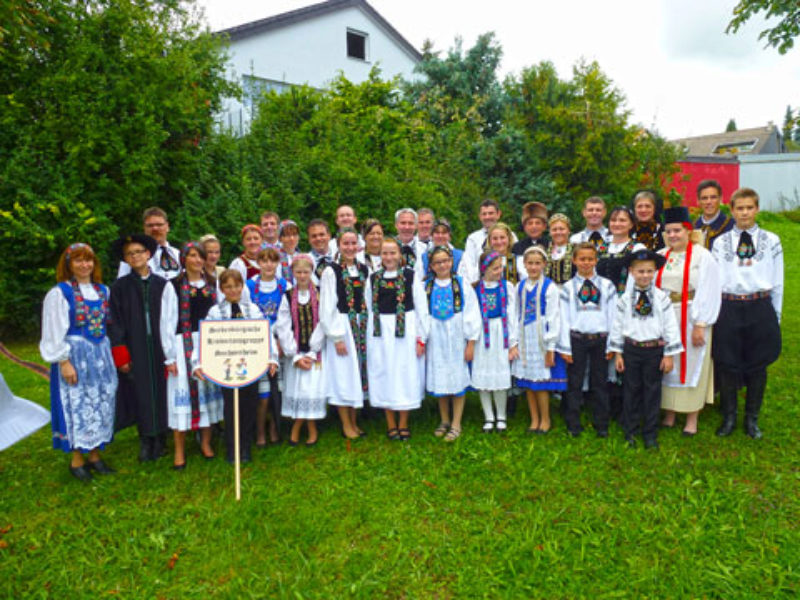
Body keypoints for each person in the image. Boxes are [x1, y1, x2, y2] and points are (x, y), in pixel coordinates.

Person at [40, 243, 118, 481]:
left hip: (100, 356)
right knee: (77, 405)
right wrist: (63, 361)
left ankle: (94, 455)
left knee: (100, 402)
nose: (85, 265)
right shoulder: (60, 293)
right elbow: (53, 331)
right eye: (78, 261)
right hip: (75, 356)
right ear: (68, 265)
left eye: (88, 260)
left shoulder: (103, 290)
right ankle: (76, 460)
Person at [712, 187, 782, 439]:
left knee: (757, 364)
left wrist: (776, 315)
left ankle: (752, 418)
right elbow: (714, 280)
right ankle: (729, 416)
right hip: (729, 306)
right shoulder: (720, 243)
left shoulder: (772, 240)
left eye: (749, 207)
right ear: (731, 210)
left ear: (757, 209)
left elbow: (778, 280)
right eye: (739, 208)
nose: (744, 213)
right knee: (727, 363)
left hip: (759, 305)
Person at [199, 269, 278, 463]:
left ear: (242, 287)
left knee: (249, 405)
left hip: (250, 365)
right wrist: (199, 362)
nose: (233, 290)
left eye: (236, 286)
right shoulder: (216, 311)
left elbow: (264, 334)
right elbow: (206, 338)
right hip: (225, 367)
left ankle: (245, 445)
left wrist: (271, 358)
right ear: (222, 289)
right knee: (231, 407)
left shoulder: (252, 309)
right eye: (228, 287)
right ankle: (232, 448)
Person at [657, 207, 721, 436]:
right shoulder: (662, 255)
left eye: (677, 230)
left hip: (693, 314)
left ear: (687, 231)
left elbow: (710, 289)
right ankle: (670, 412)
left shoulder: (702, 256)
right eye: (669, 231)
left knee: (693, 362)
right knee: (669, 362)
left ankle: (691, 416)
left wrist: (701, 324)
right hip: (667, 314)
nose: (673, 235)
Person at [609, 249, 682, 449]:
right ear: (632, 272)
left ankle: (650, 432)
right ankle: (630, 429)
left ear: (655, 272)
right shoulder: (624, 299)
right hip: (632, 349)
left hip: (654, 351)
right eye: (640, 271)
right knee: (631, 390)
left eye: (649, 271)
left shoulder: (661, 298)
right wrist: (618, 353)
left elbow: (669, 326)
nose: (645, 276)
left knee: (652, 391)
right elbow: (617, 325)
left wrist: (669, 354)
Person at [160, 242, 223, 469]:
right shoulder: (173, 286)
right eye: (193, 256)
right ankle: (179, 450)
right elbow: (166, 321)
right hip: (181, 343)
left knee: (208, 391)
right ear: (184, 259)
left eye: (201, 256)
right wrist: (169, 356)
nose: (197, 260)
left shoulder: (212, 283)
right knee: (182, 393)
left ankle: (206, 442)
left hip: (207, 342)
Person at [108, 234, 169, 462]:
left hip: (159, 346)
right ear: (126, 259)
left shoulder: (162, 285)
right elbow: (114, 321)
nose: (135, 256)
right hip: (135, 345)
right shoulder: (120, 288)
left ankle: (162, 436)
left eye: (138, 252)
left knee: (161, 388)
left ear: (148, 254)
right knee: (140, 391)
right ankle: (146, 438)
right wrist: (120, 351)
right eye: (130, 254)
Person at [365, 237, 429, 440]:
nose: (389, 257)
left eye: (393, 252)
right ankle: (390, 423)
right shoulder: (374, 278)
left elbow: (421, 308)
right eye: (385, 253)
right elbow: (368, 307)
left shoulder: (410, 276)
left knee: (404, 374)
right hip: (381, 333)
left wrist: (421, 337)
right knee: (384, 373)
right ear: (380, 255)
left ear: (400, 255)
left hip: (406, 331)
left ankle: (403, 422)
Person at [556, 243, 616, 438]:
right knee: (575, 383)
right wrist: (565, 347)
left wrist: (612, 343)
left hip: (600, 339)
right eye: (582, 259)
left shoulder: (607, 286)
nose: (586, 263)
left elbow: (613, 315)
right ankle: (573, 423)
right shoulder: (567, 288)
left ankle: (602, 424)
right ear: (574, 261)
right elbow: (563, 318)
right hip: (577, 339)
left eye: (590, 259)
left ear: (596, 260)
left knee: (600, 382)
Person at [424, 245, 480, 442]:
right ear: (431, 266)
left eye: (446, 261)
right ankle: (444, 419)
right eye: (437, 262)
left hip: (456, 337)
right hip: (436, 338)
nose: (442, 265)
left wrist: (471, 342)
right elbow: (423, 315)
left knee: (457, 376)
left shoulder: (461, 284)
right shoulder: (427, 286)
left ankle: (456, 422)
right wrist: (423, 338)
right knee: (440, 375)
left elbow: (472, 313)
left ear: (451, 262)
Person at [320, 228, 369, 438]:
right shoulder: (331, 271)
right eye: (345, 244)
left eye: (353, 243)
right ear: (338, 246)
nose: (350, 248)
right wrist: (336, 336)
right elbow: (327, 306)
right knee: (343, 375)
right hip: (342, 326)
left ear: (358, 246)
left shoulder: (363, 270)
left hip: (360, 326)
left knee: (356, 374)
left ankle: (355, 421)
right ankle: (346, 424)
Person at [274, 255, 326, 446]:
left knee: (311, 389)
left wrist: (313, 351)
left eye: (306, 272)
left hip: (315, 352)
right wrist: (294, 354)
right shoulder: (288, 295)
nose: (302, 276)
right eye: (298, 272)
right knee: (298, 388)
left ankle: (308, 426)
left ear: (311, 272)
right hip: (295, 352)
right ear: (293, 273)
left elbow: (323, 322)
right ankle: (299, 425)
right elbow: (283, 325)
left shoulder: (320, 293)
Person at [513, 245, 565, 434]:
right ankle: (534, 419)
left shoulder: (549, 287)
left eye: (537, 263)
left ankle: (545, 419)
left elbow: (553, 317)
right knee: (528, 382)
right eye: (530, 263)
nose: (533, 267)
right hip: (524, 336)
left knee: (541, 383)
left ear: (544, 264)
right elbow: (515, 314)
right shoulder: (519, 286)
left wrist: (550, 346)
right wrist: (514, 342)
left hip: (541, 336)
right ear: (524, 264)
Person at [245, 247, 290, 446]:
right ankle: (260, 430)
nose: (268, 265)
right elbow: (246, 316)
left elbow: (287, 316)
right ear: (258, 263)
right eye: (264, 260)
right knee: (262, 394)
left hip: (280, 341)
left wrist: (281, 339)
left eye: (272, 260)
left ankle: (275, 427)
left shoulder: (284, 285)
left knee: (278, 389)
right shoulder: (249, 286)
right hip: (258, 343)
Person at [471, 250, 520, 433]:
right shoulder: (475, 288)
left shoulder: (507, 287)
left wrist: (513, 342)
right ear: (484, 269)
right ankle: (488, 416)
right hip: (482, 335)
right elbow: (471, 315)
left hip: (501, 332)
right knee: (483, 374)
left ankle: (501, 415)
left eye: (501, 267)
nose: (499, 271)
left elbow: (512, 314)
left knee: (500, 375)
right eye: (495, 268)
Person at [460, 199, 517, 286]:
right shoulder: (473, 239)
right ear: (480, 216)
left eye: (491, 213)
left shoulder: (511, 235)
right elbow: (469, 266)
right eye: (484, 214)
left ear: (498, 214)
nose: (487, 217)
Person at [117, 207, 181, 280]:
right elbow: (122, 284)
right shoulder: (132, 255)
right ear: (144, 228)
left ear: (167, 226)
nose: (155, 228)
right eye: (150, 225)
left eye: (159, 224)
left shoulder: (178, 254)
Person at [596, 207, 645, 295]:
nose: (617, 224)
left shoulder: (637, 249)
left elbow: (639, 279)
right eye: (613, 220)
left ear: (631, 224)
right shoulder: (600, 247)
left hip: (625, 301)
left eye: (622, 220)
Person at [694, 179, 733, 250]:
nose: (709, 202)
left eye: (713, 197)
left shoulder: (732, 226)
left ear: (721, 199)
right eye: (704, 198)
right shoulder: (693, 227)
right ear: (698, 201)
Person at [546, 213, 576, 286]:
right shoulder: (544, 250)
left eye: (561, 229)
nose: (558, 232)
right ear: (550, 232)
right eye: (554, 229)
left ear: (568, 230)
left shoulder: (576, 249)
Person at [307, 219, 333, 284]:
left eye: (322, 234)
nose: (318, 238)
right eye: (314, 236)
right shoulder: (305, 260)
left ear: (329, 236)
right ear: (309, 239)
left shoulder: (339, 258)